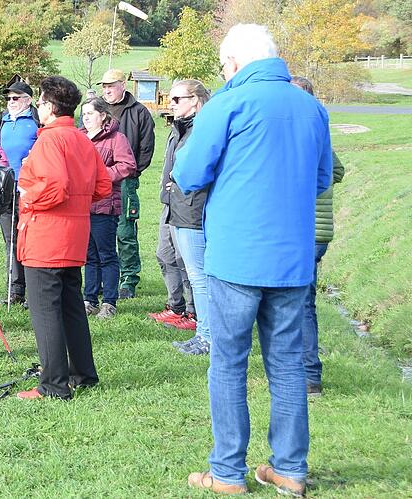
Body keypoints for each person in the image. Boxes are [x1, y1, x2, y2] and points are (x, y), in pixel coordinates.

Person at [172, 24, 332, 495]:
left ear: (237, 62)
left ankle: (226, 473)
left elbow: (189, 172)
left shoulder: (227, 102)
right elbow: (322, 178)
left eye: (223, 66)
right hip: (292, 259)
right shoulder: (311, 107)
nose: (223, 73)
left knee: (228, 362)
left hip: (237, 257)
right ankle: (289, 468)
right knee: (286, 365)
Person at [15, 76, 112, 400]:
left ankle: (54, 384)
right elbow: (102, 187)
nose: (38, 107)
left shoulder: (50, 140)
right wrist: (76, 203)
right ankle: (82, 373)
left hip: (46, 237)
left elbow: (54, 186)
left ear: (51, 106)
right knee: (71, 306)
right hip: (73, 235)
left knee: (46, 312)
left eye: (40, 102)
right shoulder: (83, 139)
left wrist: (27, 198)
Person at [291, 75, 346, 397]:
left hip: (302, 233)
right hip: (318, 234)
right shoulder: (319, 135)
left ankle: (307, 374)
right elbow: (336, 171)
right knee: (303, 303)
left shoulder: (297, 138)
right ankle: (307, 373)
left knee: (297, 305)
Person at [153, 80, 212, 352]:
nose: (171, 104)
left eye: (177, 99)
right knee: (170, 257)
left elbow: (200, 169)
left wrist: (178, 183)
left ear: (196, 101)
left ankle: (206, 334)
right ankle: (195, 323)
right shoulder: (180, 128)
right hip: (175, 205)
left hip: (192, 208)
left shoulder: (203, 129)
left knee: (198, 275)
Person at [98, 68, 155, 299]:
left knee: (125, 231)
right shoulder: (96, 110)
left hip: (125, 182)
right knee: (99, 232)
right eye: (104, 86)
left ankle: (128, 280)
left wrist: (131, 173)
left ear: (123, 85)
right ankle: (102, 279)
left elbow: (146, 148)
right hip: (98, 182)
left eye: (111, 85)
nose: (107, 90)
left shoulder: (139, 112)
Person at [79, 97, 136, 319]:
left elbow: (127, 166)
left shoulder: (116, 138)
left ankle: (109, 301)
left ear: (102, 115)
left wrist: (100, 176)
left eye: (90, 113)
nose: (86, 118)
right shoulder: (81, 137)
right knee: (89, 255)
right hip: (83, 204)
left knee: (107, 254)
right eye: (83, 114)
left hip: (105, 204)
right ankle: (89, 298)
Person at [0, 81, 40, 307]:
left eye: (16, 98)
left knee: (29, 240)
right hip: (5, 189)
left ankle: (32, 289)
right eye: (9, 99)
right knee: (10, 241)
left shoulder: (35, 122)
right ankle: (14, 289)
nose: (11, 102)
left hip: (28, 190)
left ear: (28, 100)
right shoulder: (2, 120)